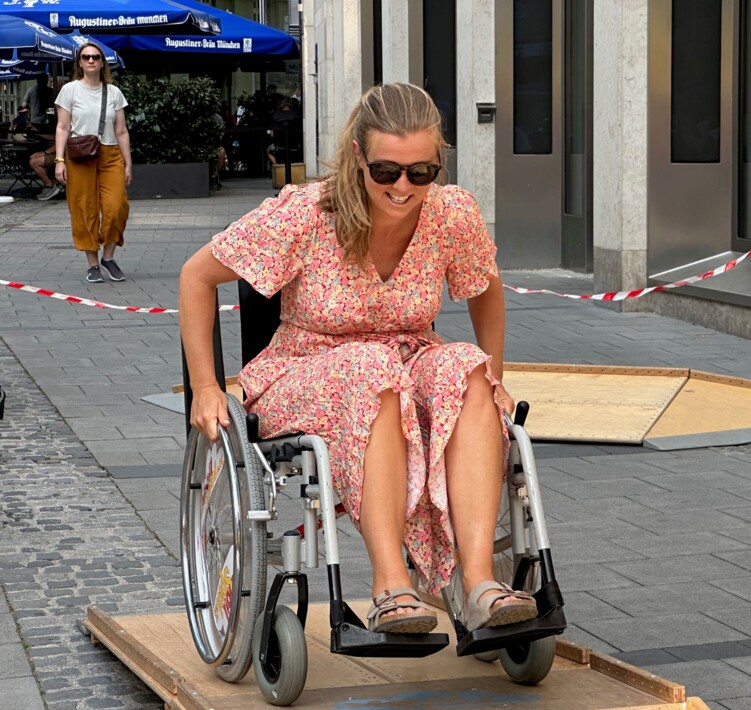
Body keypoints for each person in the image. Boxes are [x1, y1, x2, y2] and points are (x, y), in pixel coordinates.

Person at [178, 83, 538, 635]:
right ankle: (390, 585)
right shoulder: (306, 213)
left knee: (464, 368)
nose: (403, 186)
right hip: (307, 368)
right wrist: (206, 386)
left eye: (421, 172)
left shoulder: (451, 213)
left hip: (408, 357)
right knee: (372, 371)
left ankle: (480, 582)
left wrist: (497, 375)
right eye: (386, 170)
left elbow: (485, 289)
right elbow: (196, 276)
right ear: (356, 158)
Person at [53, 43, 131, 284]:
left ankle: (108, 257)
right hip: (80, 155)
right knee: (84, 208)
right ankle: (93, 264)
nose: (90, 61)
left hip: (109, 154)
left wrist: (128, 163)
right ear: (79, 62)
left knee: (116, 206)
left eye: (95, 57)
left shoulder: (114, 92)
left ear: (102, 62)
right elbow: (63, 127)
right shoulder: (69, 90)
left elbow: (121, 131)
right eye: (85, 57)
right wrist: (59, 160)